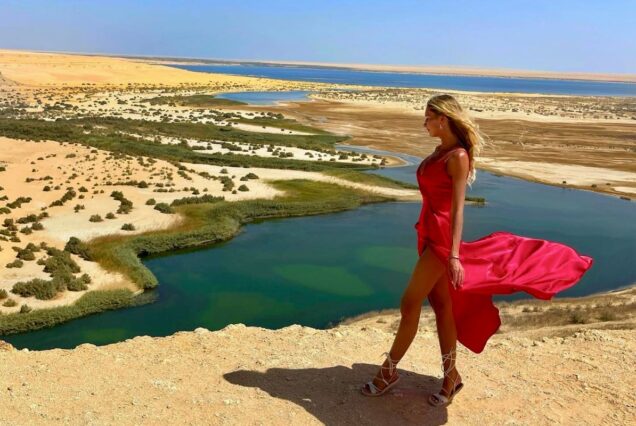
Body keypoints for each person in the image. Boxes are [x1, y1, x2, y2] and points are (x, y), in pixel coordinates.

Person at [361, 94, 593, 407]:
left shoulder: (456, 156)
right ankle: (451, 377)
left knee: (409, 302)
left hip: (441, 240)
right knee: (442, 306)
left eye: (428, 117)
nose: (424, 123)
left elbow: (458, 210)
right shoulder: (439, 150)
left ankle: (387, 373)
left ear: (442, 119)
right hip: (427, 233)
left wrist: (454, 255)